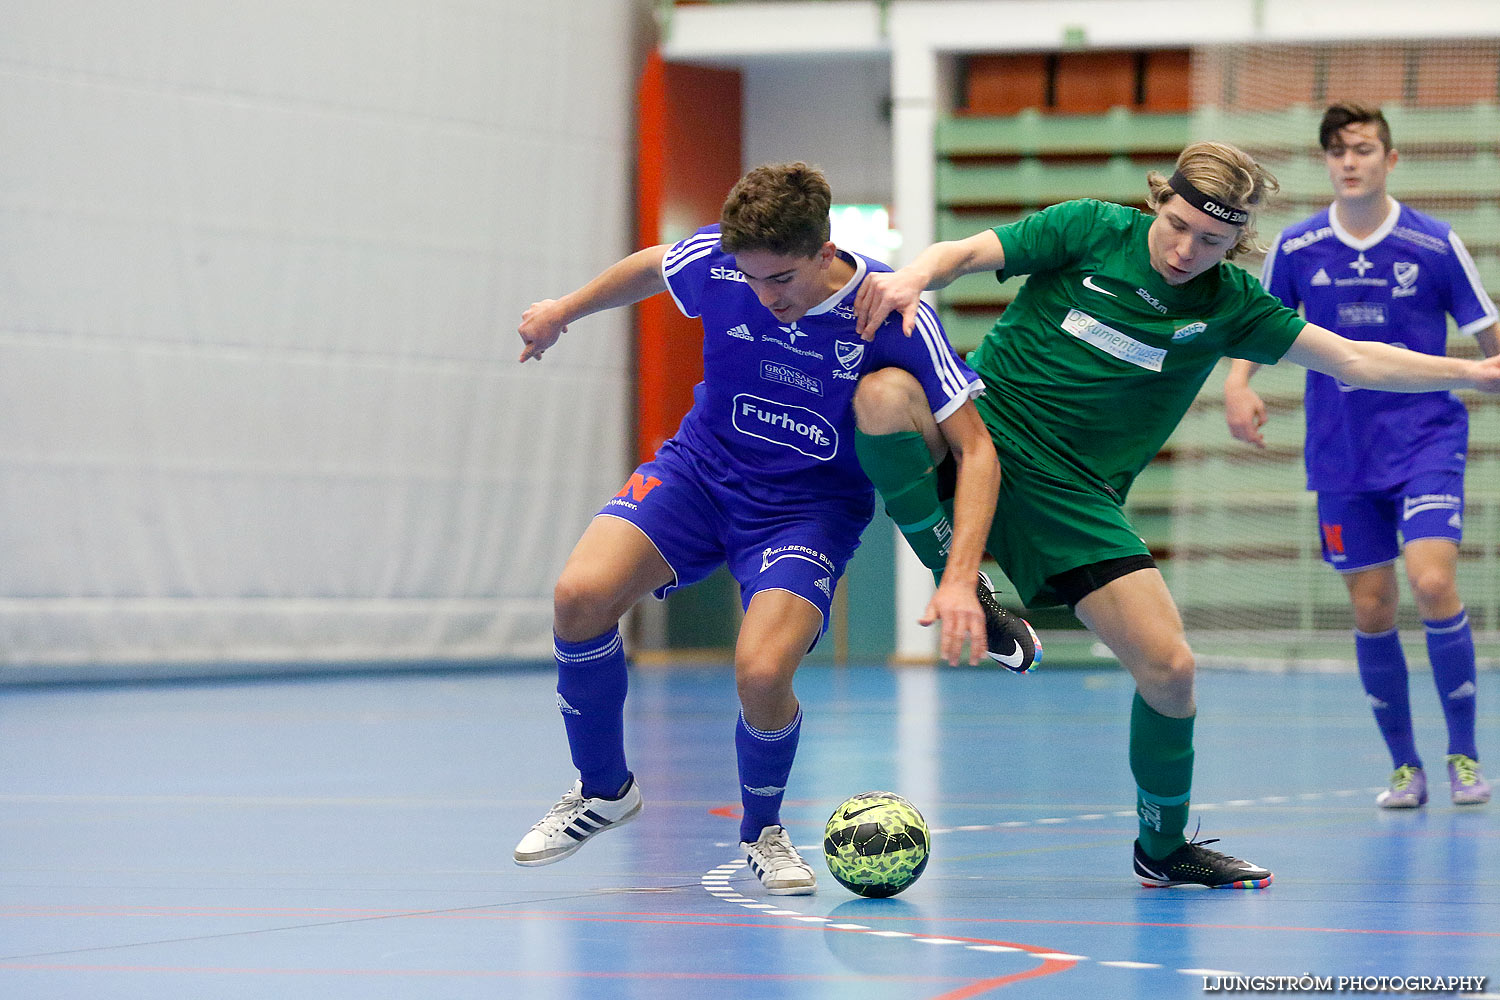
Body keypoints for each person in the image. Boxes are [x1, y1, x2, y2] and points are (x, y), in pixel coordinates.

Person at [853, 140, 1500, 888]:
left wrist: (1472, 374)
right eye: (1179, 225)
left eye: (1212, 240)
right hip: (984, 435)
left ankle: (1162, 851)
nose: (1186, 249)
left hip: (1076, 497)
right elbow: (966, 250)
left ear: (1237, 244)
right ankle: (965, 585)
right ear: (1159, 201)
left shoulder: (1230, 305)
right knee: (882, 398)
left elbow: (1354, 358)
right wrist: (911, 276)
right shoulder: (1091, 229)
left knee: (1170, 671)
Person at [511, 162, 1037, 894]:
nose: (765, 297)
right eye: (750, 279)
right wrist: (563, 310)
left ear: (825, 251)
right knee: (578, 596)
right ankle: (603, 791)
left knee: (761, 673)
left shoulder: (892, 311)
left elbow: (978, 451)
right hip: (700, 473)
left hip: (808, 511)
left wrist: (956, 580)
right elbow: (653, 267)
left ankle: (762, 831)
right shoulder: (725, 263)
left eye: (781, 281)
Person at [1224, 104, 1497, 809]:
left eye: (1365, 149)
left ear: (1391, 159)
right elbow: (1253, 327)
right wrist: (1240, 386)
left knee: (1432, 583)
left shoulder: (1434, 244)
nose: (1351, 161)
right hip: (1341, 453)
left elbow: (1488, 333)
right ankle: (1405, 766)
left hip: (1427, 438)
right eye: (1338, 150)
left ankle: (1465, 753)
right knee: (1373, 606)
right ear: (1327, 162)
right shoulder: (1298, 246)